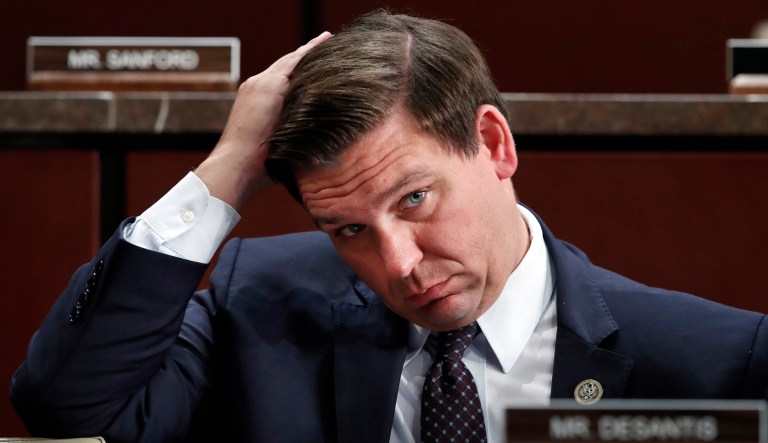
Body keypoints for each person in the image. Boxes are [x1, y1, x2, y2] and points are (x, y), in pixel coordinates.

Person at [10, 10, 768, 443]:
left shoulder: (716, 357)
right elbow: (65, 403)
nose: (398, 262)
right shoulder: (259, 305)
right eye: (347, 230)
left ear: (495, 144)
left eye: (413, 200)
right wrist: (233, 162)